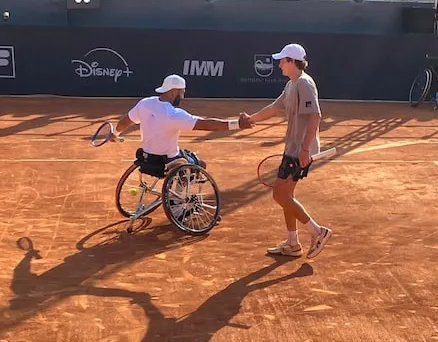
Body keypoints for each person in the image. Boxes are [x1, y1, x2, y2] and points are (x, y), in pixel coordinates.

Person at [241, 44, 332, 259]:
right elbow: (273, 108)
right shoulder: (291, 85)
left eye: (282, 60)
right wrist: (250, 120)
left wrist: (304, 149)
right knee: (286, 195)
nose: (279, 64)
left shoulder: (304, 84)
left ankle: (318, 232)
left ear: (292, 62)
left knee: (280, 194)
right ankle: (292, 244)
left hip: (300, 150)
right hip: (292, 148)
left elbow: (315, 116)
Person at [110, 74, 252, 168]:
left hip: (146, 158)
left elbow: (125, 121)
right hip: (168, 160)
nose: (183, 95)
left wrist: (115, 133)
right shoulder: (173, 114)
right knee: (200, 164)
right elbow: (207, 124)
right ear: (173, 91)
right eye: (181, 92)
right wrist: (237, 124)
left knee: (185, 154)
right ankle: (177, 203)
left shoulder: (144, 103)